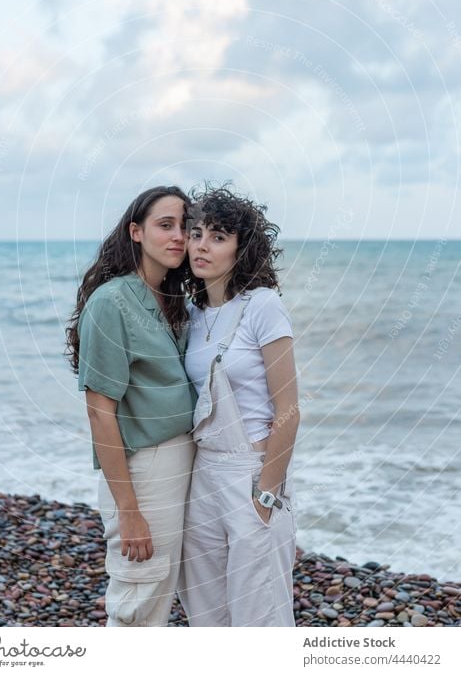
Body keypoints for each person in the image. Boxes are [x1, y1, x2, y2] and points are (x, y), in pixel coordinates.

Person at [66, 186, 196, 627]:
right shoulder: (112, 302)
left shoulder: (173, 301)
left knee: (159, 597)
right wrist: (129, 510)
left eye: (186, 227)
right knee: (138, 601)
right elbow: (99, 411)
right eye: (166, 225)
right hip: (144, 469)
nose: (179, 236)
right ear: (136, 232)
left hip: (181, 460)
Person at [178, 186, 300, 627]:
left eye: (218, 236)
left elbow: (289, 408)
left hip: (250, 473)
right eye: (196, 234)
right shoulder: (190, 315)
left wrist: (266, 493)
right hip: (202, 476)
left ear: (241, 248)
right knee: (207, 616)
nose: (202, 245)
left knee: (259, 619)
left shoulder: (263, 307)